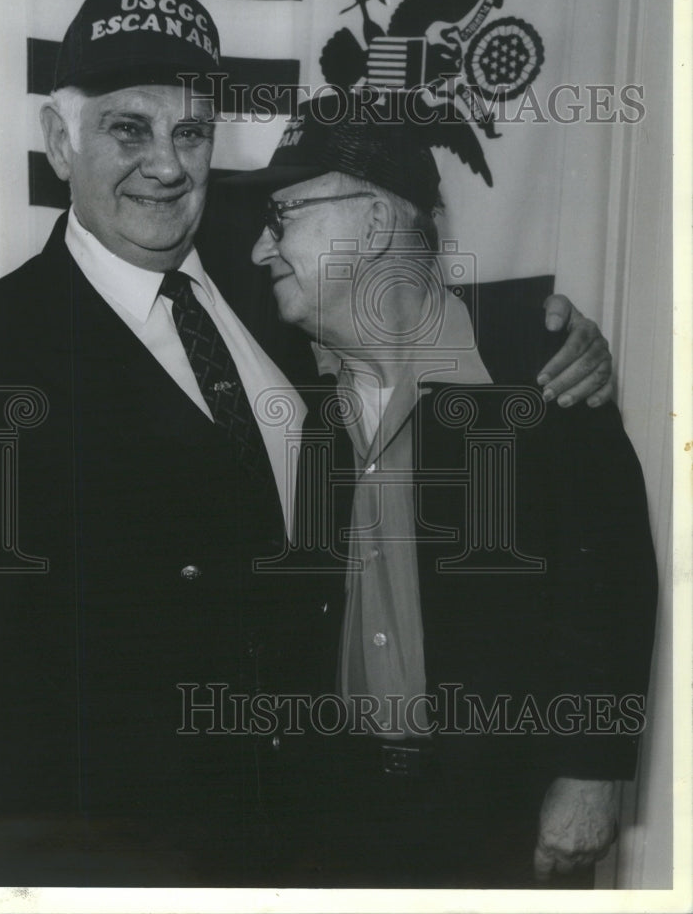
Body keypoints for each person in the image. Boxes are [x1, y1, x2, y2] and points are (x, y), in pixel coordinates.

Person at [0, 0, 620, 887]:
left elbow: (408, 305)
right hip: (131, 843)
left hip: (331, 822)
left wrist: (558, 338)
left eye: (193, 133)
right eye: (128, 128)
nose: (166, 166)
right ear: (60, 141)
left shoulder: (272, 287)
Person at [231, 90, 658, 889]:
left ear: (376, 220)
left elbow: (612, 582)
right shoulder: (281, 383)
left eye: (281, 215)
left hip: (503, 814)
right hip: (329, 815)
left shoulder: (533, 364)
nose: (261, 249)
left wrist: (593, 772)